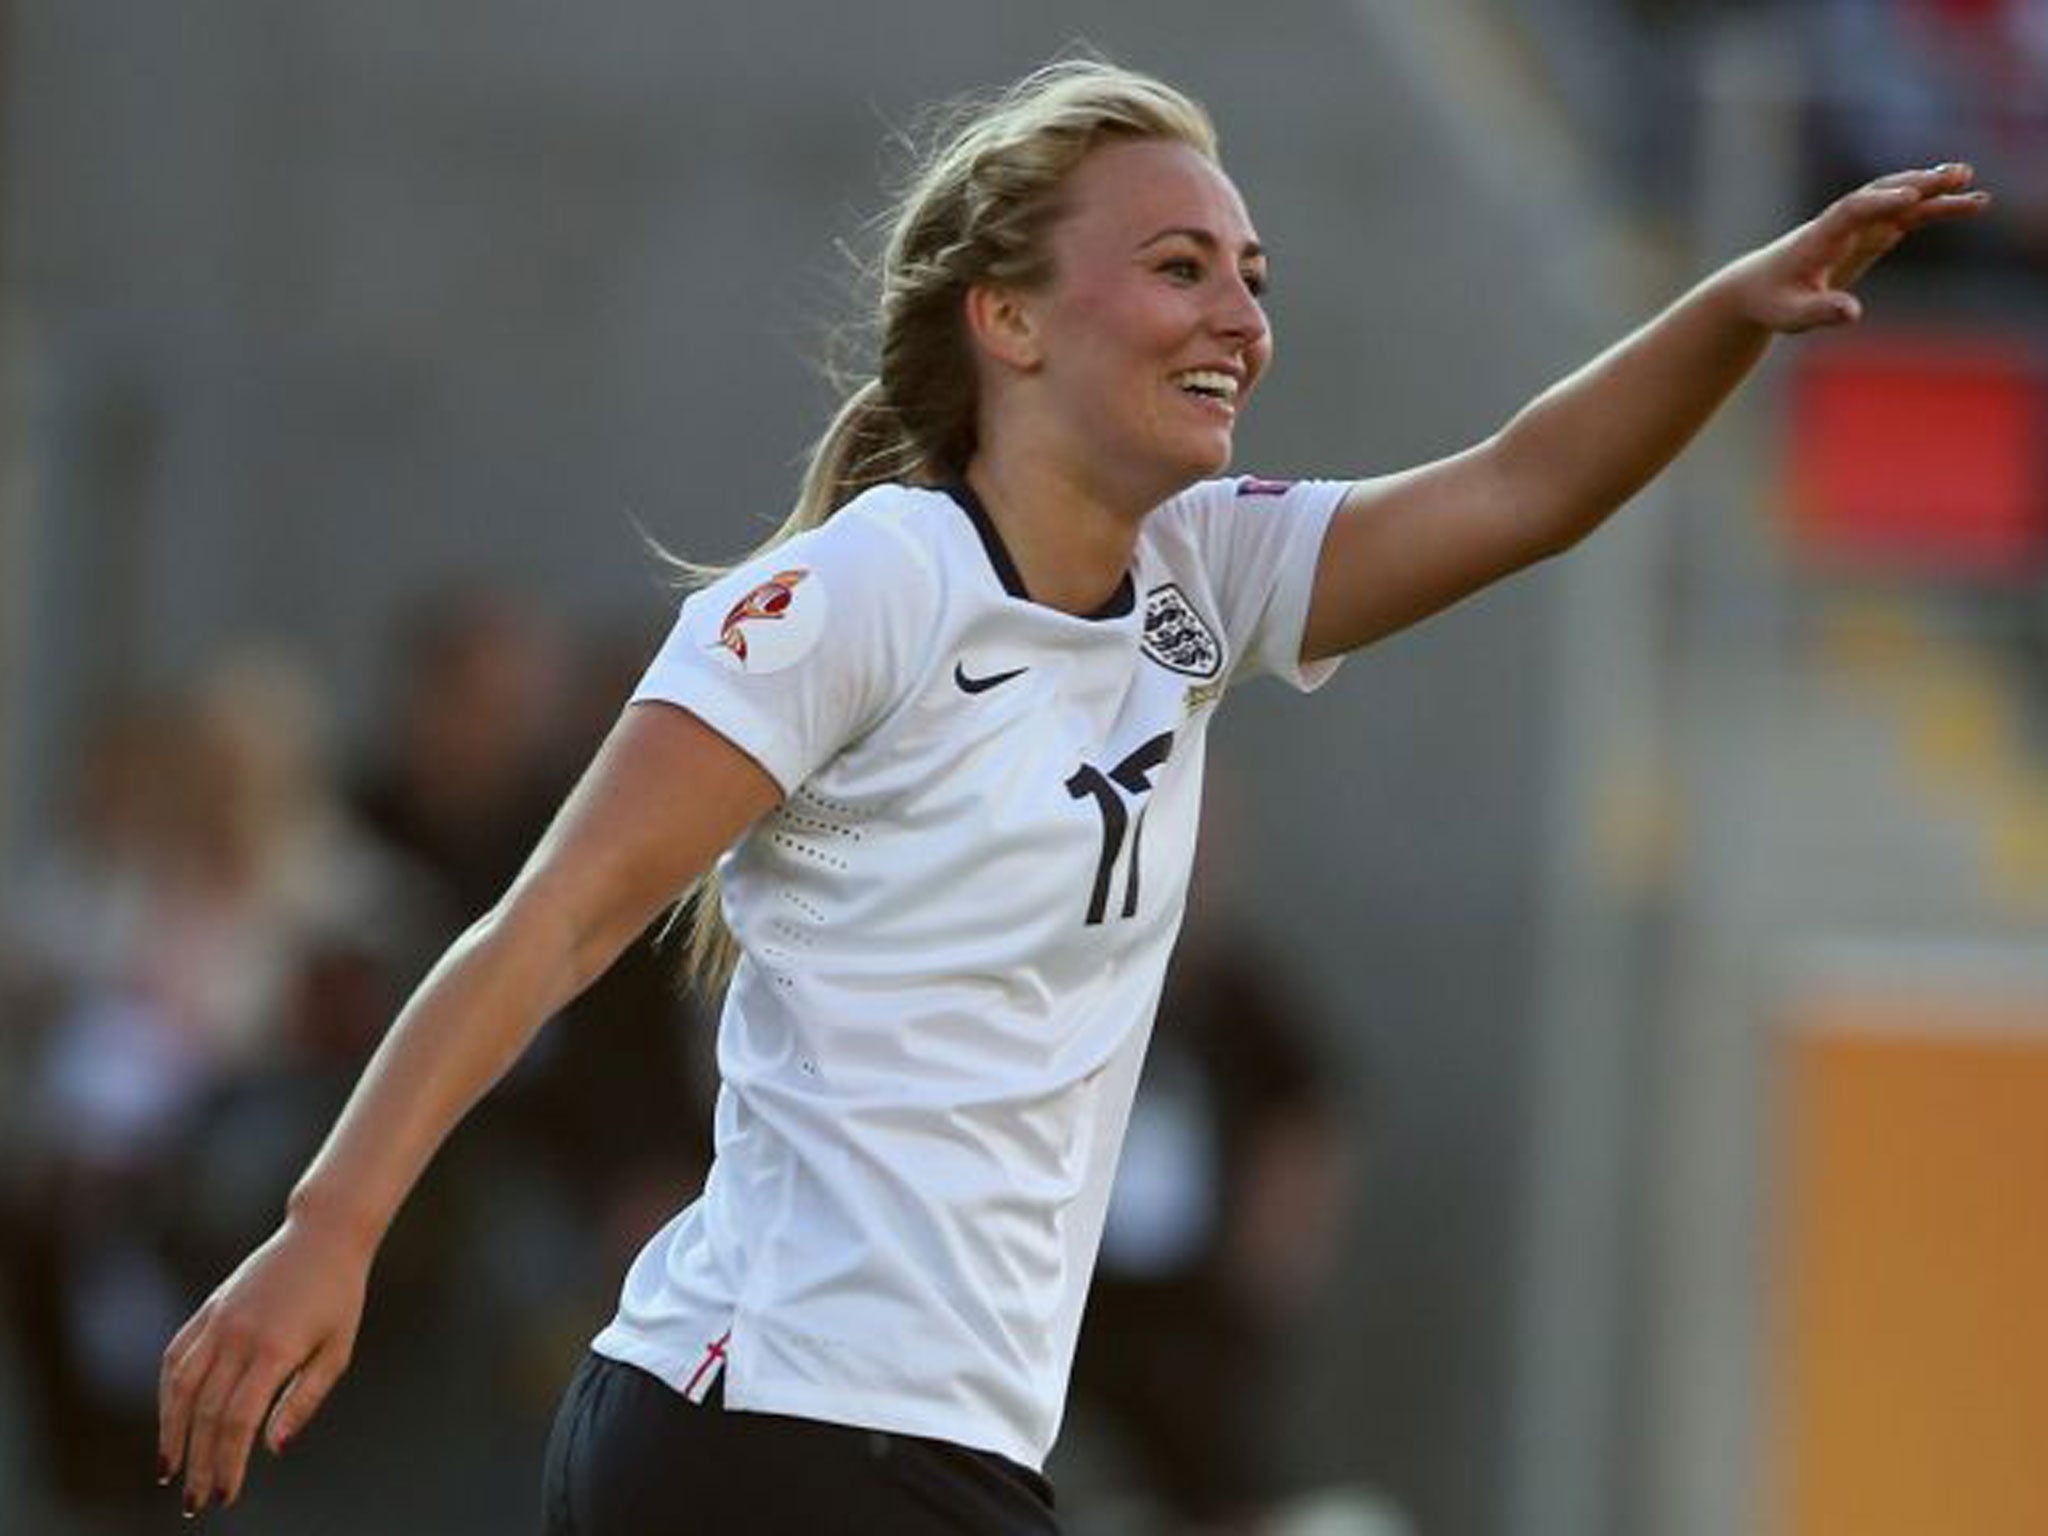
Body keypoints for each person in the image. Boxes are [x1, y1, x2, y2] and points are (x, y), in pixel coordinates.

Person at [153, 57, 1989, 1533]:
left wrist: (1732, 312)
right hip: (775, 1430)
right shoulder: (877, 581)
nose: (1241, 313)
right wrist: (332, 1229)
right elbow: (554, 919)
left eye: (1254, 272)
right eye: (1180, 264)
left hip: (919, 1451)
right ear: (1008, 324)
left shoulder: (1198, 576)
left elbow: (1523, 488)